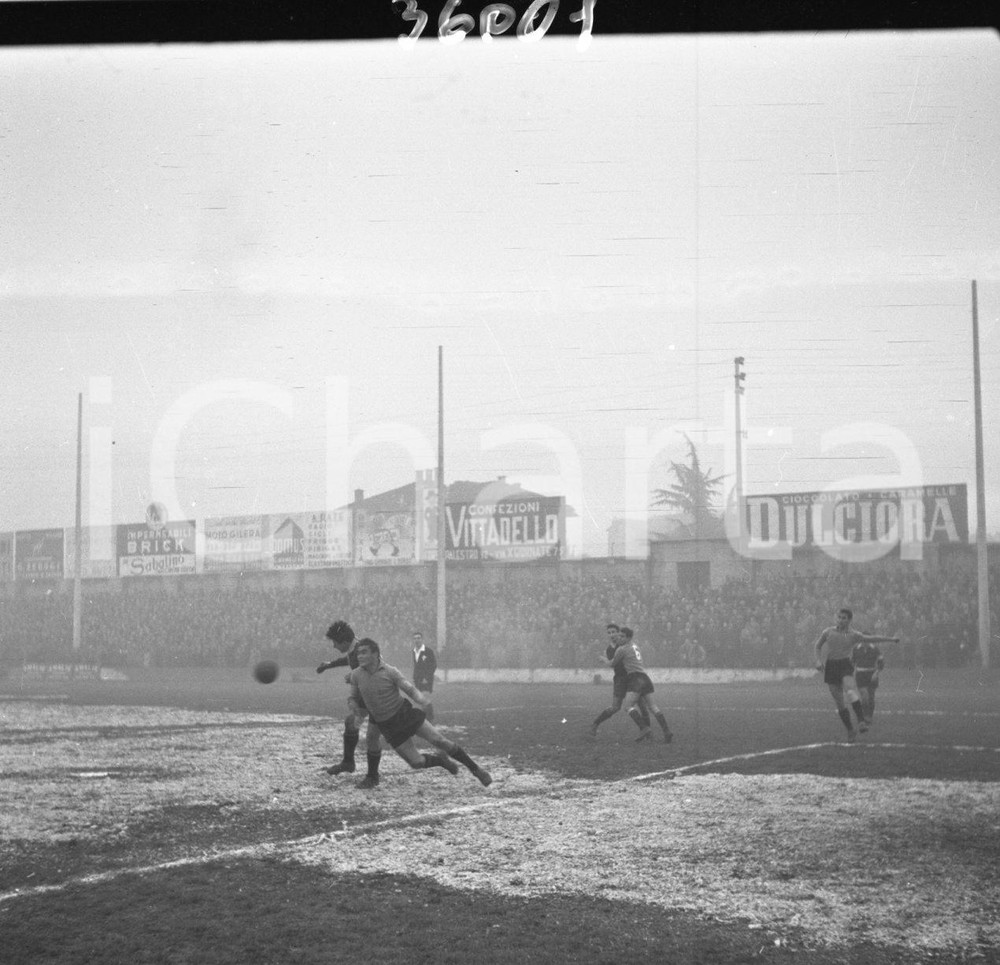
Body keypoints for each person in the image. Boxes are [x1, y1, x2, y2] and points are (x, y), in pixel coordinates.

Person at [348, 638, 492, 788]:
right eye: (358, 653)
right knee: (416, 763)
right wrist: (354, 707)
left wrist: (424, 701)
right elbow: (353, 697)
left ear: (375, 654)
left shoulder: (390, 671)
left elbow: (409, 690)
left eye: (364, 652)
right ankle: (440, 761)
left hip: (404, 714)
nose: (359, 656)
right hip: (388, 725)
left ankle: (476, 770)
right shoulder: (356, 675)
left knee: (439, 740)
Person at [316, 620, 383, 789]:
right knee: (351, 723)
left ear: (344, 642)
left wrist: (354, 677)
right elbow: (348, 660)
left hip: (379, 695)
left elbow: (374, 670)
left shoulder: (362, 651)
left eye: (335, 643)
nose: (333, 646)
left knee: (372, 737)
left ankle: (373, 777)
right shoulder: (355, 648)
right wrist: (329, 665)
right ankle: (348, 763)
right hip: (366, 695)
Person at [814, 608, 899, 742]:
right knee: (840, 703)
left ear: (849, 620)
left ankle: (861, 721)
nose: (841, 620)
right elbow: (818, 646)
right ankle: (850, 730)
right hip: (831, 667)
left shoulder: (854, 635)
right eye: (839, 617)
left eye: (844, 618)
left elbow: (873, 638)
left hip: (845, 665)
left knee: (850, 690)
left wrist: (891, 639)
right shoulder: (828, 632)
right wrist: (818, 661)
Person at [606, 626, 674, 743]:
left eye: (622, 636)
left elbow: (612, 664)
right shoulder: (635, 646)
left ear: (628, 638)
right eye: (620, 636)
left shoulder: (622, 649)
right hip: (645, 677)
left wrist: (603, 659)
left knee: (628, 706)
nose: (620, 638)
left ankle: (644, 728)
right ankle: (667, 731)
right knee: (653, 707)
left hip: (635, 678)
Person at [590, 623, 650, 738]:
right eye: (609, 633)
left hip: (632, 678)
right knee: (615, 707)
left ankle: (646, 731)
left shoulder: (624, 644)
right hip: (620, 679)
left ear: (619, 632)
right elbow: (614, 664)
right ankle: (595, 724)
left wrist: (605, 660)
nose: (612, 635)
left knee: (642, 705)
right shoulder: (609, 649)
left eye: (614, 632)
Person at [852, 632, 886, 725]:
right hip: (860, 675)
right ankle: (865, 715)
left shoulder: (875, 649)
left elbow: (881, 663)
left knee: (871, 697)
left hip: (872, 674)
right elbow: (852, 662)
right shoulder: (856, 649)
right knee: (864, 696)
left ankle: (869, 716)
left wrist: (876, 673)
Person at [411, 631, 437, 722]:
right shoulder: (414, 651)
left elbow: (433, 665)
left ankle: (430, 718)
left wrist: (427, 677)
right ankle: (427, 717)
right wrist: (415, 676)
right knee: (421, 698)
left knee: (425, 697)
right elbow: (416, 665)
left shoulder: (428, 651)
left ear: (422, 639)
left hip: (426, 679)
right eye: (415, 638)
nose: (416, 640)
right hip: (418, 679)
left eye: (418, 638)